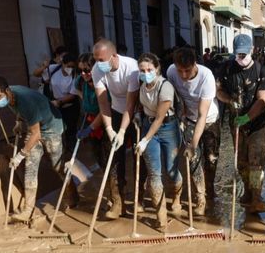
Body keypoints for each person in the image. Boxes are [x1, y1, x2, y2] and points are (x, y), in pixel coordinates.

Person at [0, 76, 78, 222]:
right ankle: (28, 210)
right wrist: (18, 122)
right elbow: (20, 111)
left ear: (7, 91)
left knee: (57, 166)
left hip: (51, 128)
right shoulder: (10, 97)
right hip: (35, 127)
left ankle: (71, 191)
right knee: (30, 168)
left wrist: (20, 155)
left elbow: (36, 134)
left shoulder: (25, 100)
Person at [216, 34, 265, 214]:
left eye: (244, 55)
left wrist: (247, 117)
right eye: (237, 55)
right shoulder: (226, 69)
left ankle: (256, 197)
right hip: (236, 124)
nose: (240, 58)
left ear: (252, 51)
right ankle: (247, 192)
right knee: (241, 162)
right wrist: (229, 101)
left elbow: (263, 100)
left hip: (256, 125)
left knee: (256, 161)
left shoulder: (261, 71)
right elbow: (218, 91)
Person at [91, 38, 142, 219]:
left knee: (140, 155)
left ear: (113, 56)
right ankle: (117, 201)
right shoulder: (96, 70)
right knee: (113, 156)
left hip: (136, 111)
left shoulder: (131, 67)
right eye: (96, 60)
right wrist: (110, 129)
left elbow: (131, 102)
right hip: (116, 110)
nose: (99, 64)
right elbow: (103, 102)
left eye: (102, 60)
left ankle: (140, 198)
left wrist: (122, 131)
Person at [167, 47, 219, 216]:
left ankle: (210, 193)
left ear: (195, 64)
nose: (183, 75)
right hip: (189, 119)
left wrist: (193, 144)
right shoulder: (171, 72)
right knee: (193, 161)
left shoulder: (206, 77)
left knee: (211, 160)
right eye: (179, 70)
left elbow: (203, 115)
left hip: (209, 119)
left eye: (187, 70)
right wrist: (181, 111)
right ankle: (200, 197)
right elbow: (175, 94)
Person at [134, 53, 183, 230]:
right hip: (148, 127)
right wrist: (138, 115)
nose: (146, 73)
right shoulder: (141, 86)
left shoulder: (166, 86)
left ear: (157, 69)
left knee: (171, 171)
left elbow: (160, 117)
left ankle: (176, 197)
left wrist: (144, 140)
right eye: (142, 70)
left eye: (149, 69)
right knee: (154, 174)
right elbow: (143, 106)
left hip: (168, 127)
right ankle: (161, 218)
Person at [71, 53, 106, 171]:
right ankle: (104, 170)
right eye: (80, 70)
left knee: (108, 153)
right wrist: (85, 99)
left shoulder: (104, 82)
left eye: (86, 70)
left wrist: (90, 128)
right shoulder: (80, 81)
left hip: (106, 120)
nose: (83, 74)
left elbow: (105, 110)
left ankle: (115, 181)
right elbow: (75, 89)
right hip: (89, 117)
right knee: (96, 152)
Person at [44, 53, 80, 159]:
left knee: (70, 129)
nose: (70, 69)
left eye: (72, 67)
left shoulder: (75, 75)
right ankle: (61, 151)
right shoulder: (53, 69)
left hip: (70, 106)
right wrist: (43, 66)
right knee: (58, 129)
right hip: (56, 105)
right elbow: (38, 75)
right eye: (68, 66)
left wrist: (59, 102)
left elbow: (73, 94)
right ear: (62, 64)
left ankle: (72, 153)